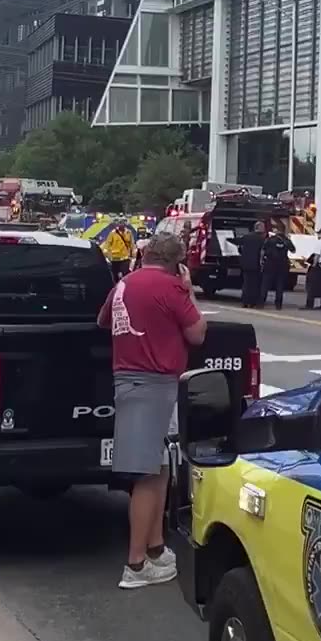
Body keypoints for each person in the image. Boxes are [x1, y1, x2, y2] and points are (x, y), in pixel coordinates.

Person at [97, 231, 207, 591]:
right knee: (146, 476)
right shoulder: (171, 288)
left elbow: (104, 322)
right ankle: (136, 564)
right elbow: (197, 334)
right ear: (176, 263)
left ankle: (156, 548)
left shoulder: (125, 284)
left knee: (159, 469)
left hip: (129, 381)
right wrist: (187, 289)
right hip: (155, 384)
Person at [262, 220, 296, 311]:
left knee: (265, 284)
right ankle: (278, 304)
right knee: (280, 285)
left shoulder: (270, 239)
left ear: (276, 230)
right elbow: (293, 250)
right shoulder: (286, 240)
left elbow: (263, 249)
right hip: (282, 265)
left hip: (270, 264)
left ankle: (261, 303)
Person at [238, 220, 267, 308]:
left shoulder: (246, 237)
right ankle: (252, 302)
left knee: (246, 283)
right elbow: (264, 252)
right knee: (255, 284)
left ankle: (245, 301)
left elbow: (239, 247)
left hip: (246, 264)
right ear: (260, 228)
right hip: (256, 264)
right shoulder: (262, 239)